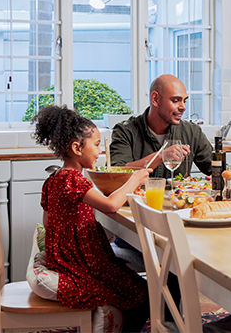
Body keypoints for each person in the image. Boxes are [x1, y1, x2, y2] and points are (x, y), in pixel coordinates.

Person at [32, 104, 151, 332]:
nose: (100, 151)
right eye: (96, 145)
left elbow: (48, 222)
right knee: (142, 293)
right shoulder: (74, 179)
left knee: (130, 282)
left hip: (67, 257)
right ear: (77, 147)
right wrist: (134, 180)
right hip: (81, 262)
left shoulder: (55, 178)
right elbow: (109, 206)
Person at [110, 74, 213, 178]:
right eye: (176, 100)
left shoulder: (192, 131)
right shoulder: (125, 131)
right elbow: (116, 174)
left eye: (184, 101)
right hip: (140, 194)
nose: (183, 107)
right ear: (155, 99)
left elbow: (217, 169)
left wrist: (219, 177)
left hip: (181, 194)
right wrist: (161, 156)